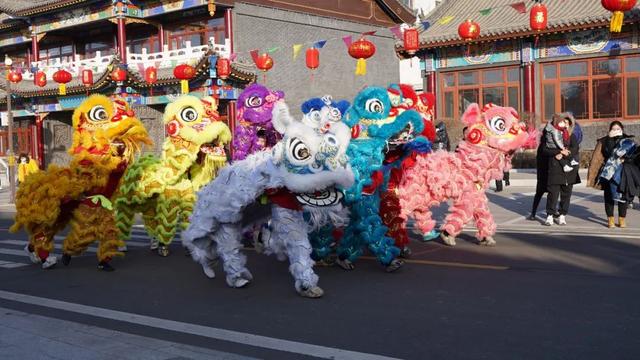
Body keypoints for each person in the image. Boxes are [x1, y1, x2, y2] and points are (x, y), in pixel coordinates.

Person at [588, 121, 637, 228]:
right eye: (613, 129)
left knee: (622, 195)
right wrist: (610, 139)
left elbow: (634, 155)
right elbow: (607, 153)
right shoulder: (605, 140)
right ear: (610, 130)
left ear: (622, 129)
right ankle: (610, 219)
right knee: (609, 196)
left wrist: (625, 159)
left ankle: (622, 219)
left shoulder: (628, 141)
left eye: (618, 129)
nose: (615, 131)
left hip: (624, 171)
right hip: (608, 171)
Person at [542, 113, 580, 226]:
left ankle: (562, 215)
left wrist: (563, 154)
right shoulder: (551, 135)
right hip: (555, 168)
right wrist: (557, 152)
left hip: (569, 170)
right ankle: (550, 215)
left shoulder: (572, 136)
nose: (565, 125)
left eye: (568, 123)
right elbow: (545, 150)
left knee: (566, 194)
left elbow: (575, 149)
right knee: (553, 193)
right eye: (564, 123)